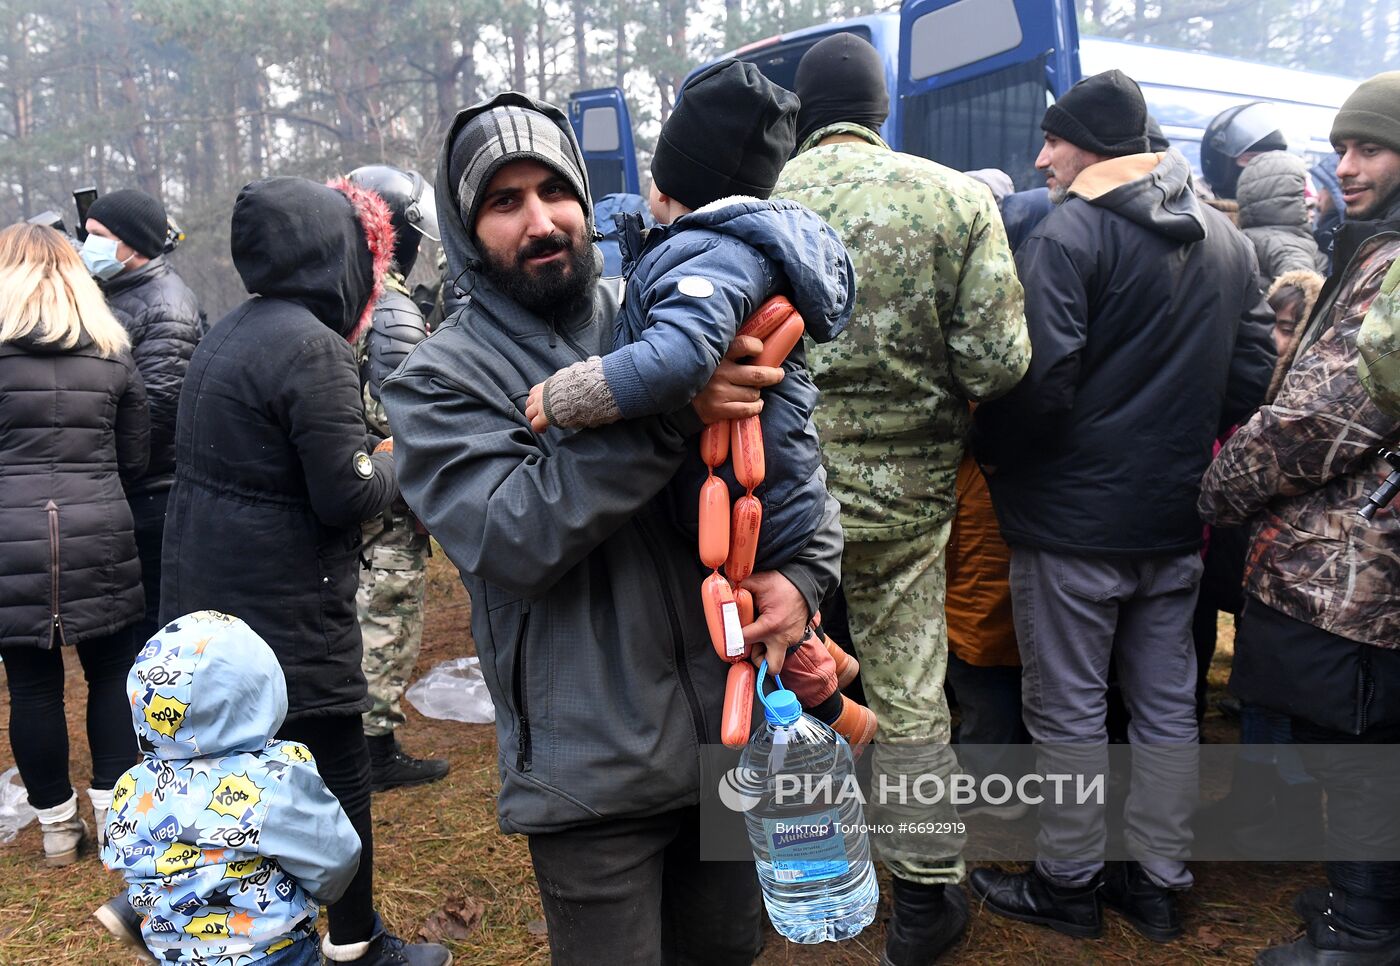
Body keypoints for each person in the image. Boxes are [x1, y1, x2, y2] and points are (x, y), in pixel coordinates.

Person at [382, 91, 843, 965]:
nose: (541, 220)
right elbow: (511, 535)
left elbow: (795, 453)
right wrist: (667, 411)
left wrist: (805, 575)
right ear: (465, 226)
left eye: (554, 191)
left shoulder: (666, 304)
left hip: (729, 740)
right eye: (503, 202)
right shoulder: (438, 378)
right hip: (590, 776)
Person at [971, 69, 1275, 943]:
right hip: (1175, 517)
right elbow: (1251, 378)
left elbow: (1039, 384)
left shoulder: (1070, 236)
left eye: (1053, 140)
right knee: (1167, 701)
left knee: (1066, 707)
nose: (1041, 157)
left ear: (1092, 147)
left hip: (1070, 526)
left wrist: (999, 459)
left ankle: (1069, 885)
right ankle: (1157, 882)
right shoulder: (1226, 241)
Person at [771, 32, 1031, 966]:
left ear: (804, 112)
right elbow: (999, 363)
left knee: (787, 679)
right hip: (911, 501)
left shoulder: (761, 208)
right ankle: (925, 904)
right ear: (883, 110)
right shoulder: (956, 198)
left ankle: (806, 861)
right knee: (913, 694)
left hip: (784, 502)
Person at [523, 60, 873, 744]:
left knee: (755, 622)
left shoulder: (705, 256)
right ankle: (830, 663)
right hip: (778, 487)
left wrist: (573, 393)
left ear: (671, 182)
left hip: (758, 499)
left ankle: (837, 710)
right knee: (770, 613)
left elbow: (676, 361)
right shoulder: (737, 245)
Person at [155, 176, 448, 965]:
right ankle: (358, 944)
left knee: (226, 766)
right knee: (339, 765)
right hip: (285, 601)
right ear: (334, 254)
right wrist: (398, 459)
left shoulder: (233, 330)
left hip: (210, 589)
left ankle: (186, 914)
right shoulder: (312, 346)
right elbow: (344, 495)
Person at [1200, 70, 1400, 966]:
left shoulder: (1391, 264)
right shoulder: (1372, 243)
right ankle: (1363, 900)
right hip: (1357, 551)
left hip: (1366, 558)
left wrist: (1221, 486)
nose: (1346, 165)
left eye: (1370, 147)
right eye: (1343, 147)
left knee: (1361, 741)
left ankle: (1365, 930)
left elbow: (1324, 417)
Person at [0, 222, 149, 866]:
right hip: (102, 533)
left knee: (32, 689)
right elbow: (136, 455)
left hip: (9, 542)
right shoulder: (112, 352)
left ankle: (58, 829)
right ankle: (120, 831)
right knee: (111, 675)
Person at [97, 611, 362, 965]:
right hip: (270, 951)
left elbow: (120, 857)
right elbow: (334, 859)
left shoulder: (132, 785)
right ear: (261, 688)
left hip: (176, 954)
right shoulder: (273, 778)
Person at [344, 164, 451, 792]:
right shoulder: (392, 309)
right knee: (387, 611)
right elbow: (401, 416)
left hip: (356, 482)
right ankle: (373, 751)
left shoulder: (352, 295)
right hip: (385, 493)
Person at [81, 188, 203, 646]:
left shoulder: (165, 306)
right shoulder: (118, 293)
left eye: (97, 235)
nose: (85, 243)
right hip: (126, 493)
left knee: (149, 630)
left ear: (132, 245)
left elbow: (156, 413)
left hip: (154, 496)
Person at [1235, 151, 1329, 284]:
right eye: (1307, 207)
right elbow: (1301, 296)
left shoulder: (1249, 238)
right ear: (1288, 204)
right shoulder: (1287, 247)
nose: (1313, 213)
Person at [1201, 101, 1290, 200]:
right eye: (1252, 159)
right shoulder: (1193, 207)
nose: (1263, 166)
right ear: (1221, 165)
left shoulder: (1283, 206)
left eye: (1271, 159)